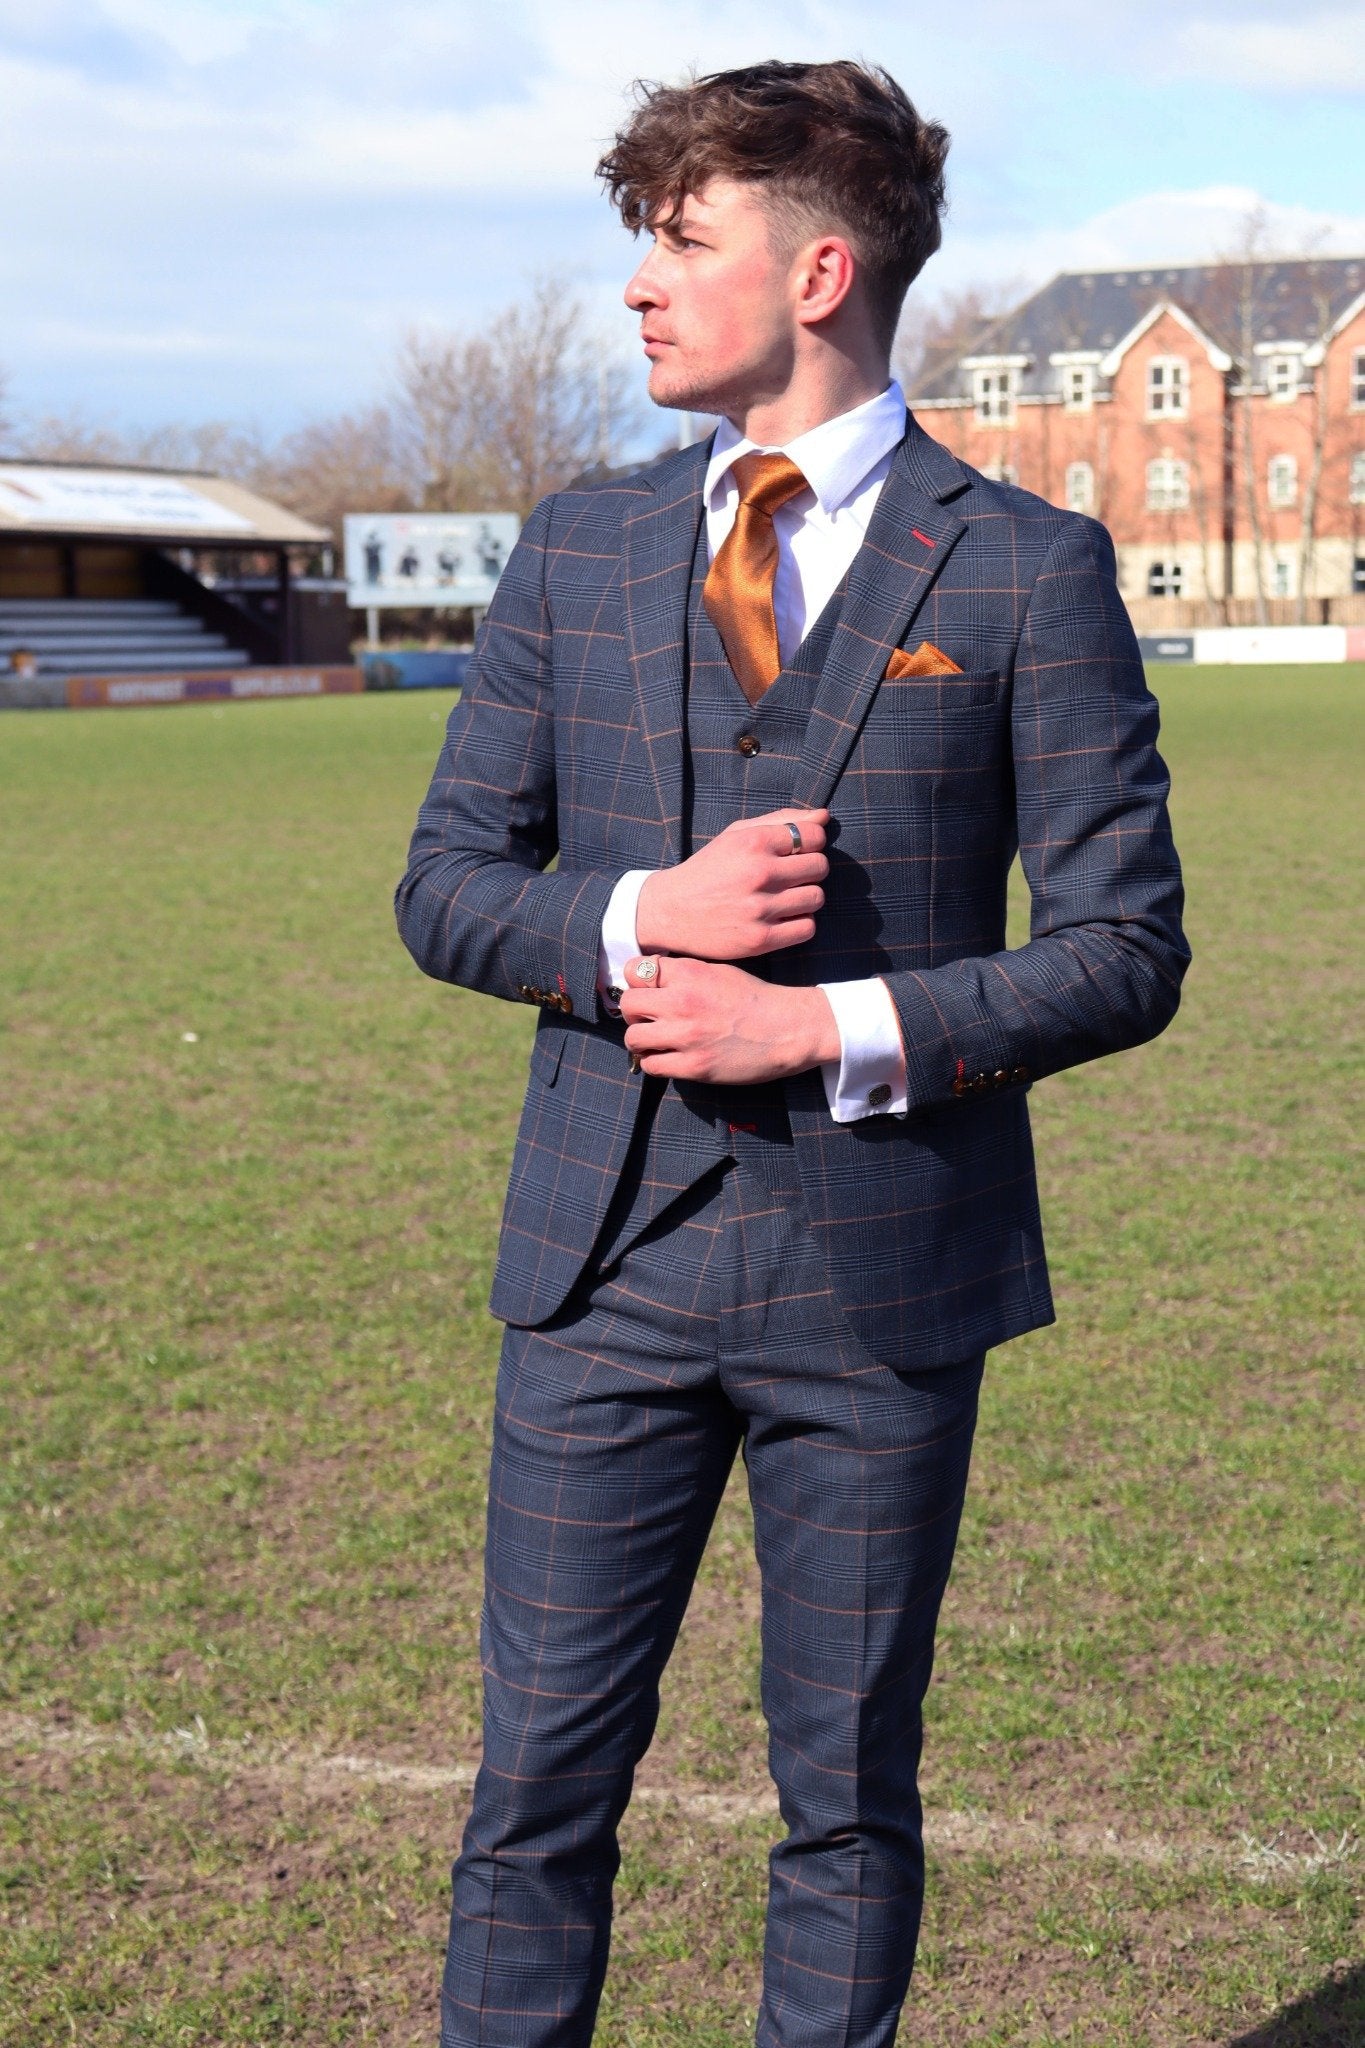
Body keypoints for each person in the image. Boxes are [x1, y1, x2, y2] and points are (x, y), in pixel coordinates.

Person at [396, 58, 1188, 2048]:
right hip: (599, 1278)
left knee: (843, 1808)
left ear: (816, 267)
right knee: (528, 1803)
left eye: (681, 241)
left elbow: (1120, 950)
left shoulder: (1021, 569)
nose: (640, 288)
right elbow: (443, 888)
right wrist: (633, 916)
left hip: (880, 1287)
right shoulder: (574, 551)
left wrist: (819, 1022)